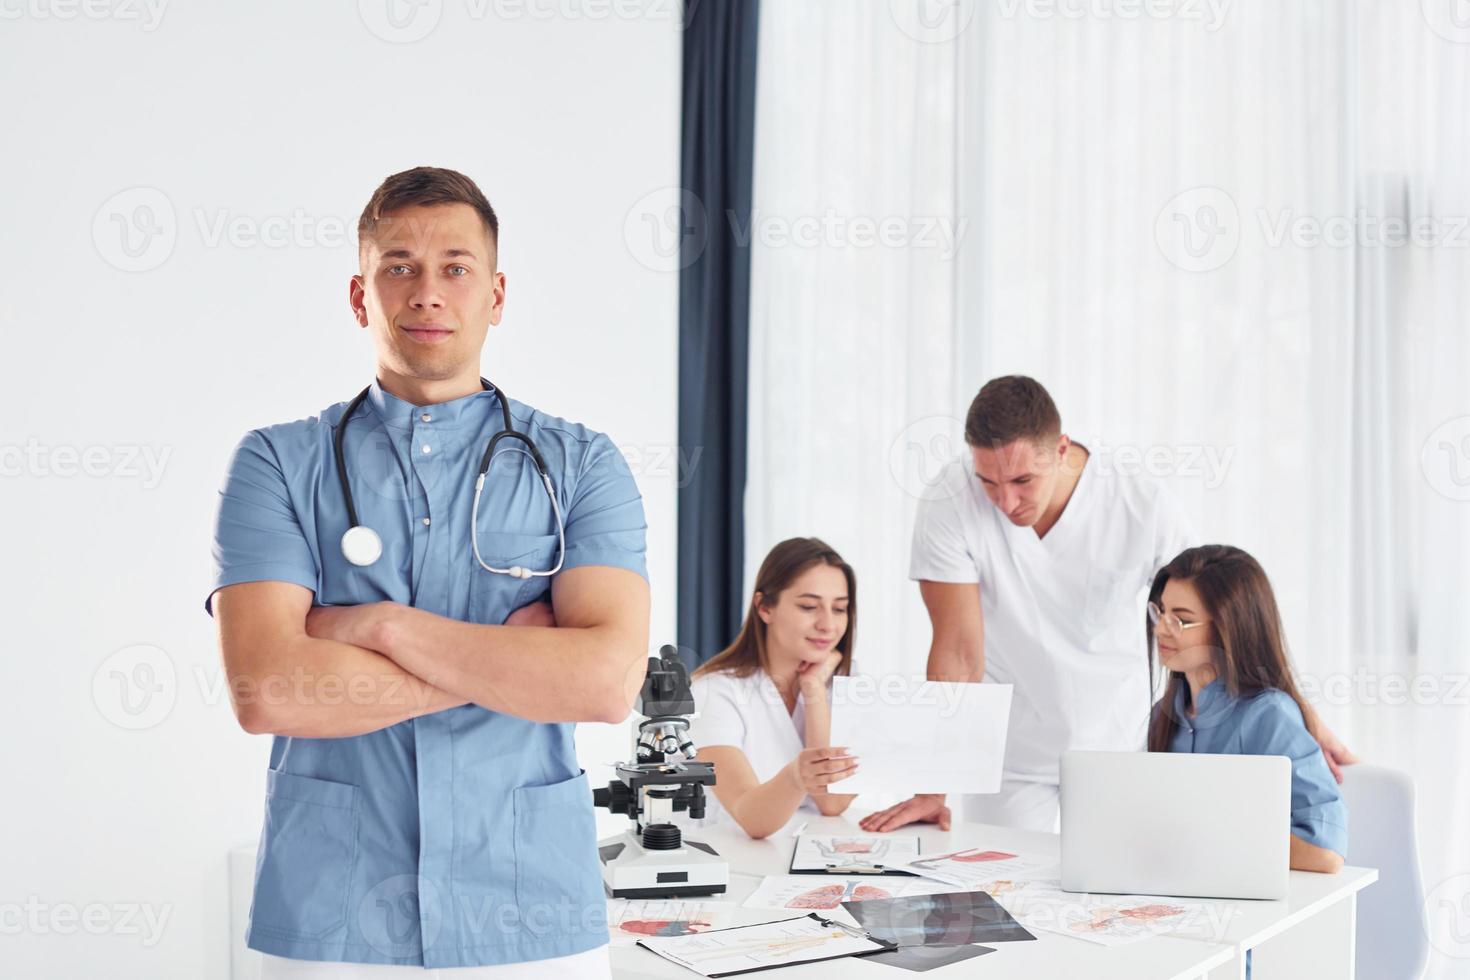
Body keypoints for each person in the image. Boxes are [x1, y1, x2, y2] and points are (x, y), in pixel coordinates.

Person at [206, 167, 650, 977]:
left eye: (455, 267)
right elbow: (268, 691)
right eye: (399, 266)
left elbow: (604, 683)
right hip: (333, 909)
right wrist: (511, 664)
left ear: (496, 293)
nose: (427, 292)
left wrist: (378, 629)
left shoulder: (583, 465)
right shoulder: (277, 462)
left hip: (531, 908)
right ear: (359, 295)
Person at [863, 376, 1355, 835]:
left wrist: (1300, 714)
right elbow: (957, 653)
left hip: (1118, 741)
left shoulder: (1141, 505)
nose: (1005, 502)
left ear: (1061, 450)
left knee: (1112, 899)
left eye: (1022, 482)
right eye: (988, 482)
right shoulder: (951, 500)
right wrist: (932, 785)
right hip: (1009, 749)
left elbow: (1216, 618)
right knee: (997, 894)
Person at [1148, 545, 1346, 873]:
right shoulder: (1165, 715)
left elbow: (1325, 852)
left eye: (1181, 620)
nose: (1160, 630)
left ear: (1229, 625)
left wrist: (1206, 839)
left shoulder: (1268, 716)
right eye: (1160, 612)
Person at [689, 538, 861, 839]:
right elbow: (751, 816)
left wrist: (814, 692)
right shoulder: (713, 692)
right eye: (809, 606)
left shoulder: (842, 681)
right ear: (765, 607)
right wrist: (796, 777)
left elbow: (831, 802)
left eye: (840, 609)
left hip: (800, 861)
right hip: (725, 862)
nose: (828, 624)